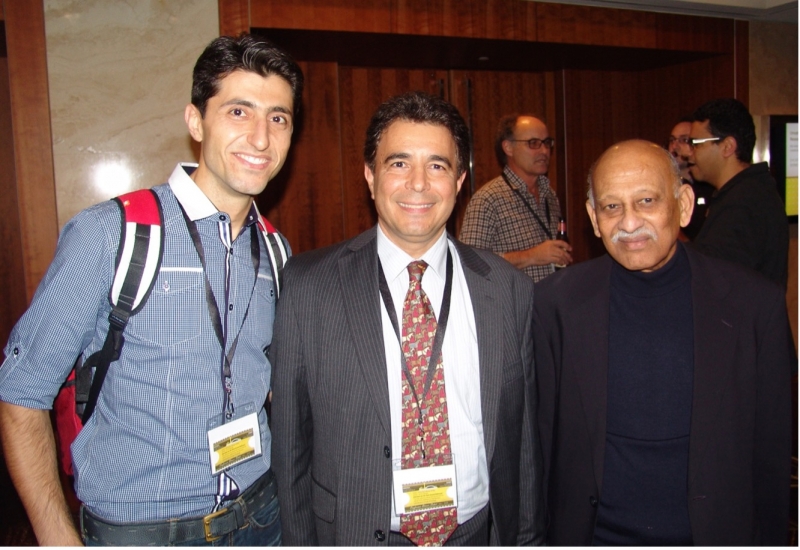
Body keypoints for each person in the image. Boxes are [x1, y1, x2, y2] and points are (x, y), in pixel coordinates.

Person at [0, 34, 304, 546]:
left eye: (278, 118)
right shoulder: (111, 235)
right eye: (238, 111)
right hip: (142, 529)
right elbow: (20, 394)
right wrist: (56, 536)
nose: (260, 138)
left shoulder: (277, 252)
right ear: (195, 121)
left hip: (259, 515)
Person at [270, 92, 543, 546]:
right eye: (398, 164)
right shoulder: (309, 286)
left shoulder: (508, 288)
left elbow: (524, 444)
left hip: (475, 533)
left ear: (459, 181)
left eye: (437, 166)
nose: (418, 183)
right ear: (370, 176)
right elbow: (291, 448)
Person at [535, 139, 794, 545]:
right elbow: (542, 447)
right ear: (593, 217)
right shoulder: (555, 303)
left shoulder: (753, 305)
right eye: (611, 207)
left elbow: (774, 453)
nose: (630, 222)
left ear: (684, 205)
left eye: (647, 201)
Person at [687, 97, 789, 289]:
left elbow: (715, 278)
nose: (689, 153)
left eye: (696, 143)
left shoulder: (744, 203)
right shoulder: (745, 191)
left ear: (727, 147)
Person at [460, 114, 572, 282]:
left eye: (547, 143)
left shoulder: (549, 194)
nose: (544, 151)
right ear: (508, 147)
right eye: (533, 143)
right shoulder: (488, 199)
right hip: (513, 306)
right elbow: (469, 263)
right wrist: (531, 256)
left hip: (552, 300)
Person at [668, 116, 714, 240]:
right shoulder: (665, 185)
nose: (675, 146)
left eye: (683, 140)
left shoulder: (710, 184)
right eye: (672, 140)